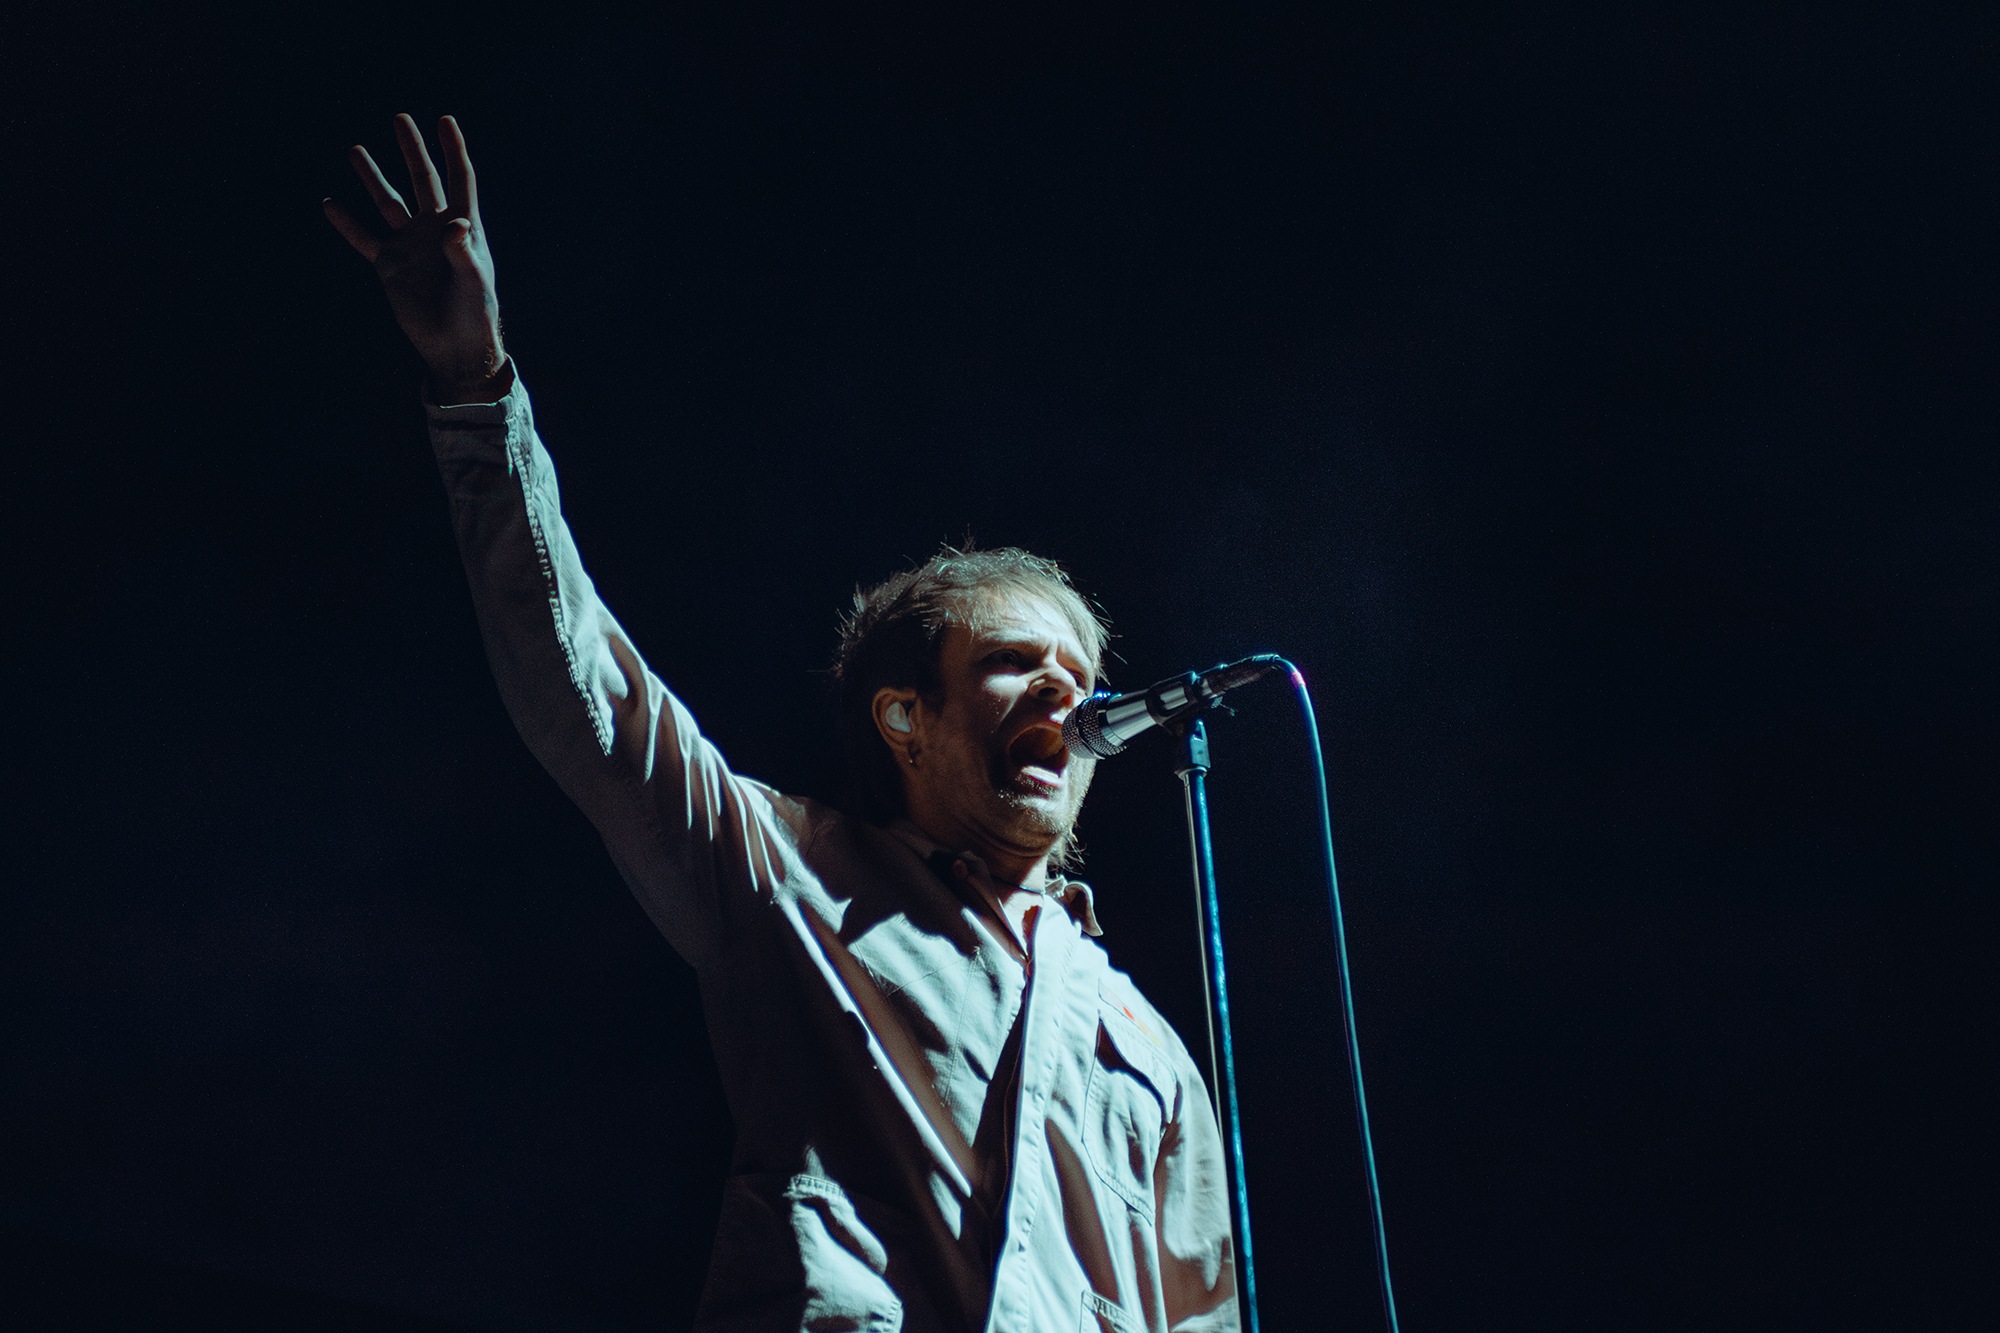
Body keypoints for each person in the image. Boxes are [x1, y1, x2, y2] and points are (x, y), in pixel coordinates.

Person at [325, 114, 1240, 1333]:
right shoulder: (788, 873)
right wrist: (473, 388)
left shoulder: (1148, 1045)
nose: (1062, 694)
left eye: (1076, 673)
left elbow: (1204, 1310)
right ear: (904, 716)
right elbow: (583, 691)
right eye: (1013, 664)